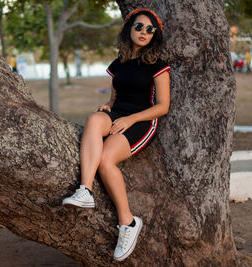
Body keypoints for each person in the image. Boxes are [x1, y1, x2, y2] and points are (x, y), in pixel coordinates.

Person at [62, 8, 171, 262]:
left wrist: (129, 119)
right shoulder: (118, 64)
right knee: (93, 119)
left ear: (154, 35)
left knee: (106, 161)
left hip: (141, 121)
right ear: (129, 29)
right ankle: (85, 191)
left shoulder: (158, 65)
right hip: (118, 112)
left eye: (149, 29)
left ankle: (128, 222)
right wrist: (108, 108)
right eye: (139, 27)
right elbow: (114, 98)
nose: (143, 32)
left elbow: (163, 106)